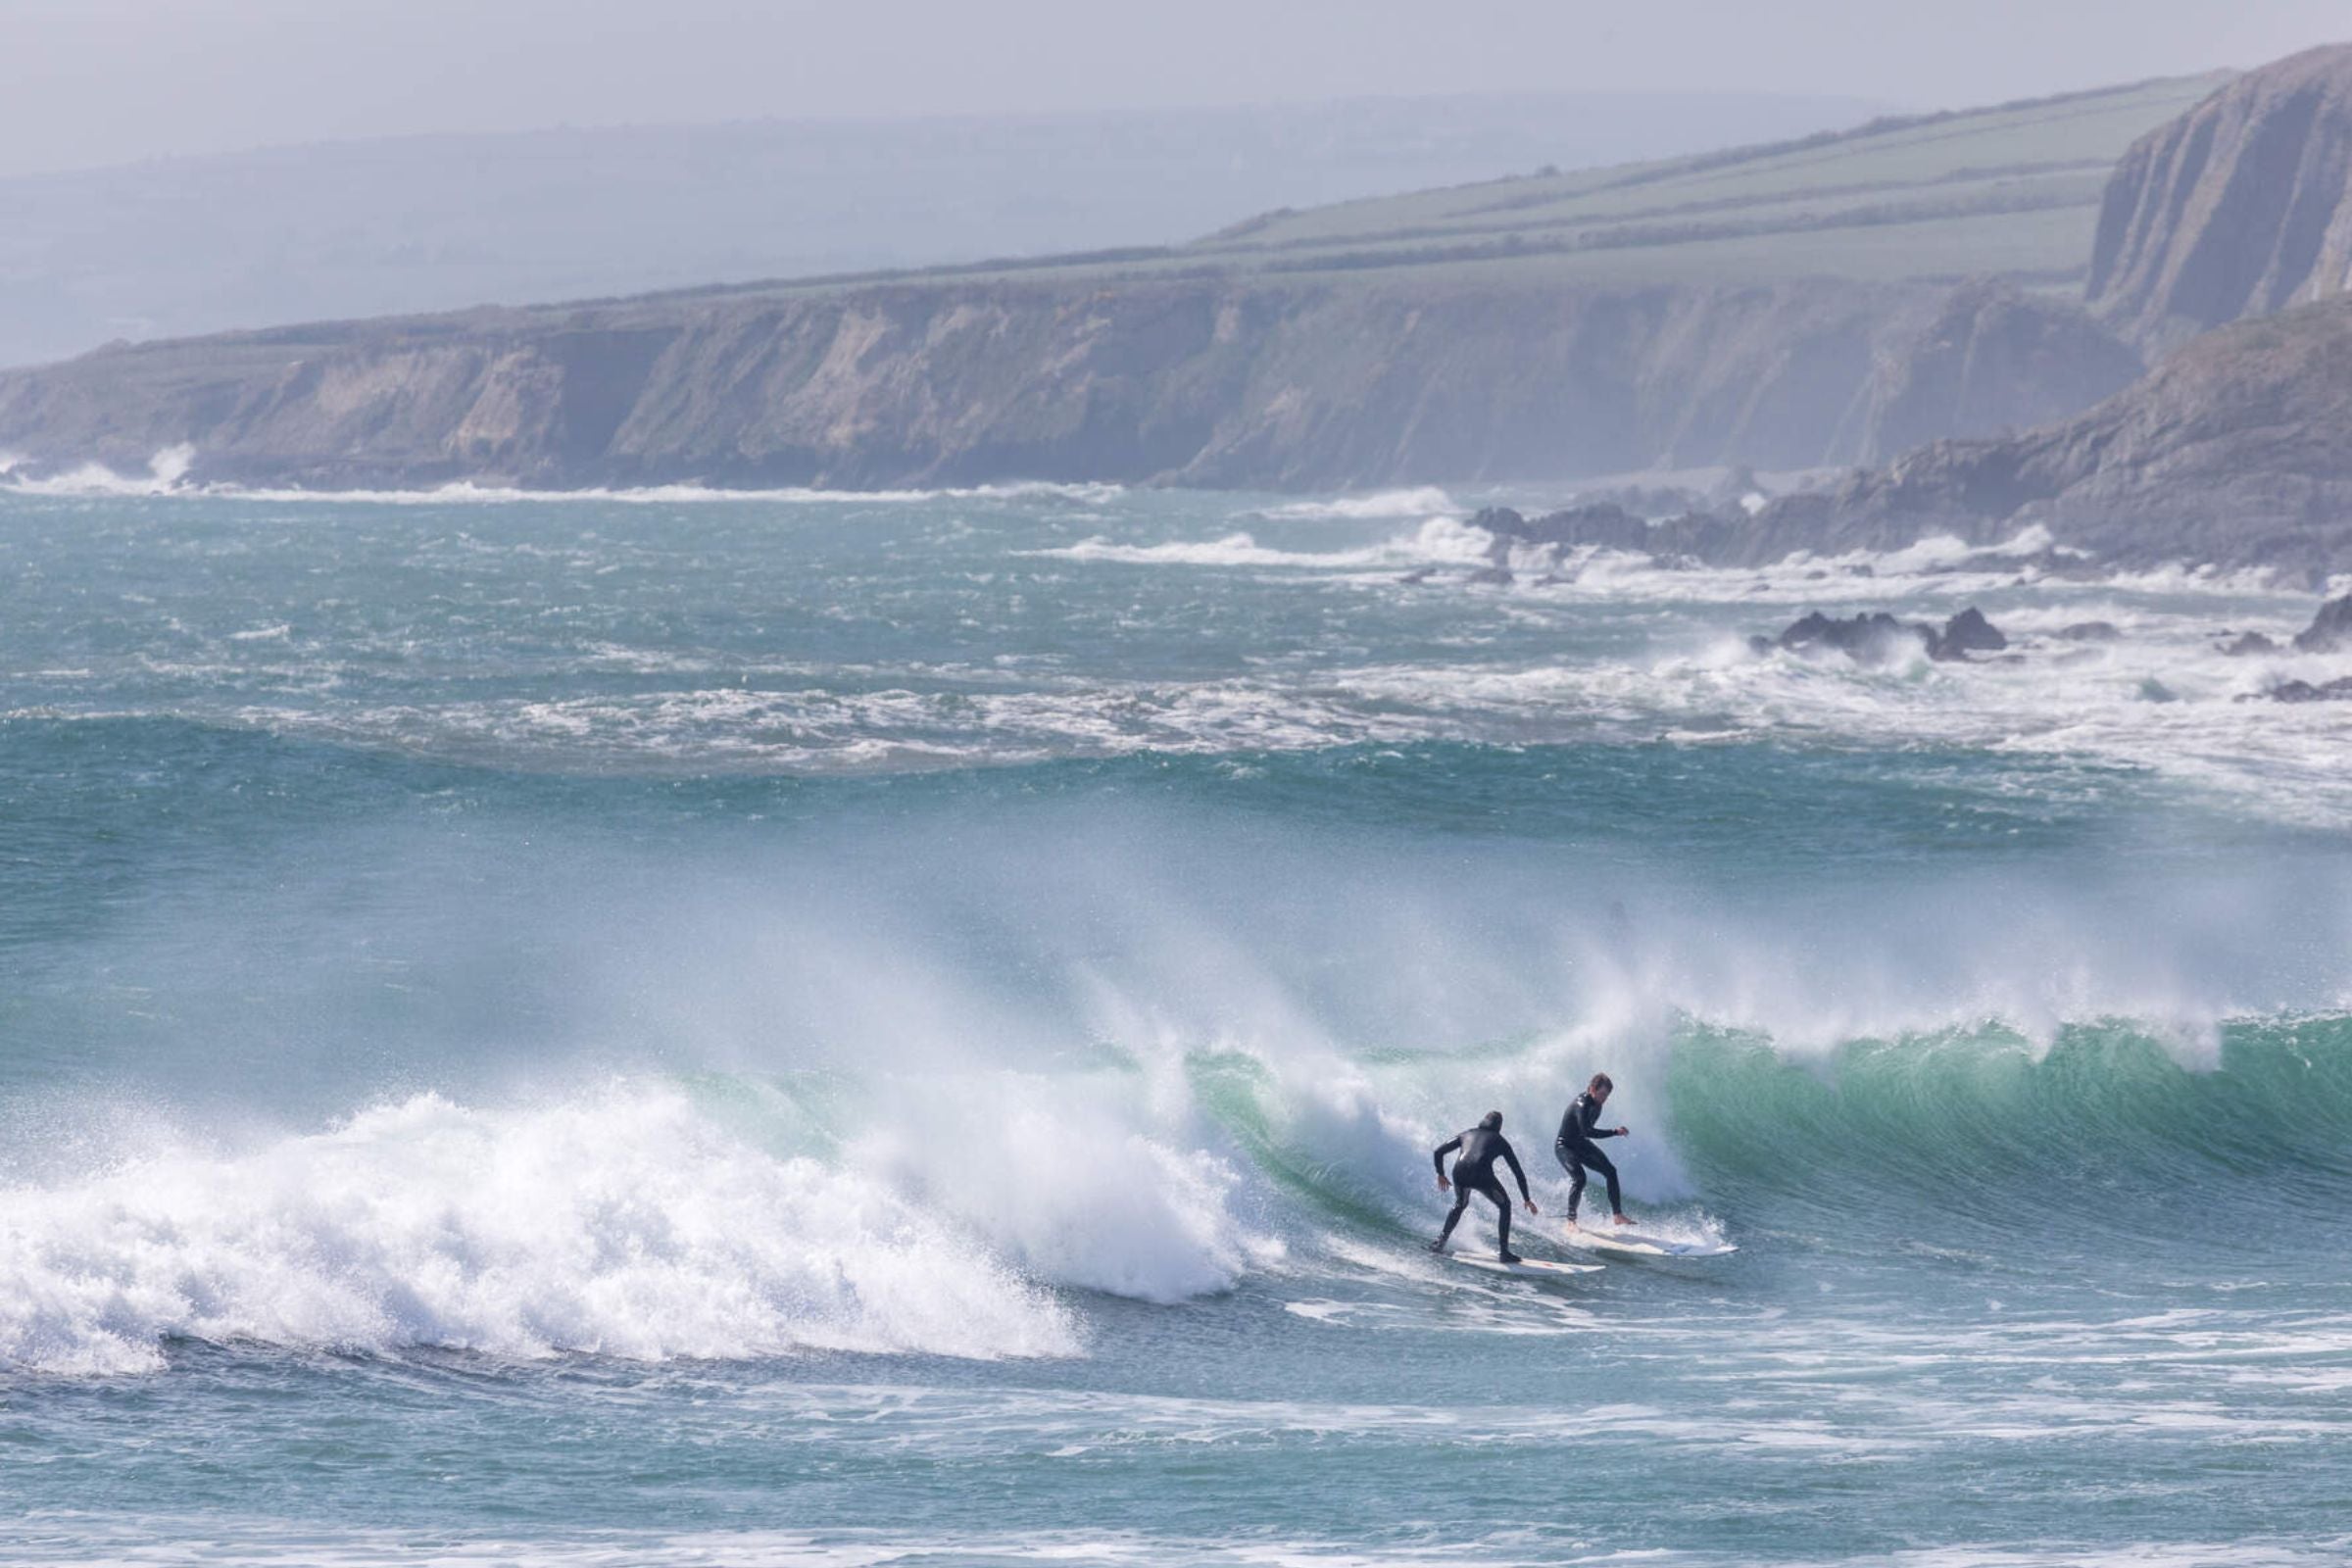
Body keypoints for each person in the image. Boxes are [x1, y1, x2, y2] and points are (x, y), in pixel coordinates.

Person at [1430, 1110, 1537, 1262]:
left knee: (1460, 1204)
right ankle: (1504, 1252)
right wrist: (1526, 1198)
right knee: (1505, 1206)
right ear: (1499, 1126)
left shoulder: (1467, 1133)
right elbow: (1517, 1171)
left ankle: (1440, 1243)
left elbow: (1438, 1152)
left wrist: (1440, 1174)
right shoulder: (1500, 1141)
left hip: (1459, 1172)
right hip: (1481, 1175)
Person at [1555, 1072, 1633, 1229]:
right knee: (1580, 1178)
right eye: (1602, 1093)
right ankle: (1571, 1220)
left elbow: (1585, 1134)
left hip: (1581, 1144)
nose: (1604, 1098)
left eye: (1607, 1095)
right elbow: (1587, 1131)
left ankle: (1617, 1215)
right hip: (1565, 1146)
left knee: (1611, 1171)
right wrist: (1614, 1132)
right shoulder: (1582, 1105)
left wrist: (1614, 1132)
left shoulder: (1597, 1104)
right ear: (1592, 1089)